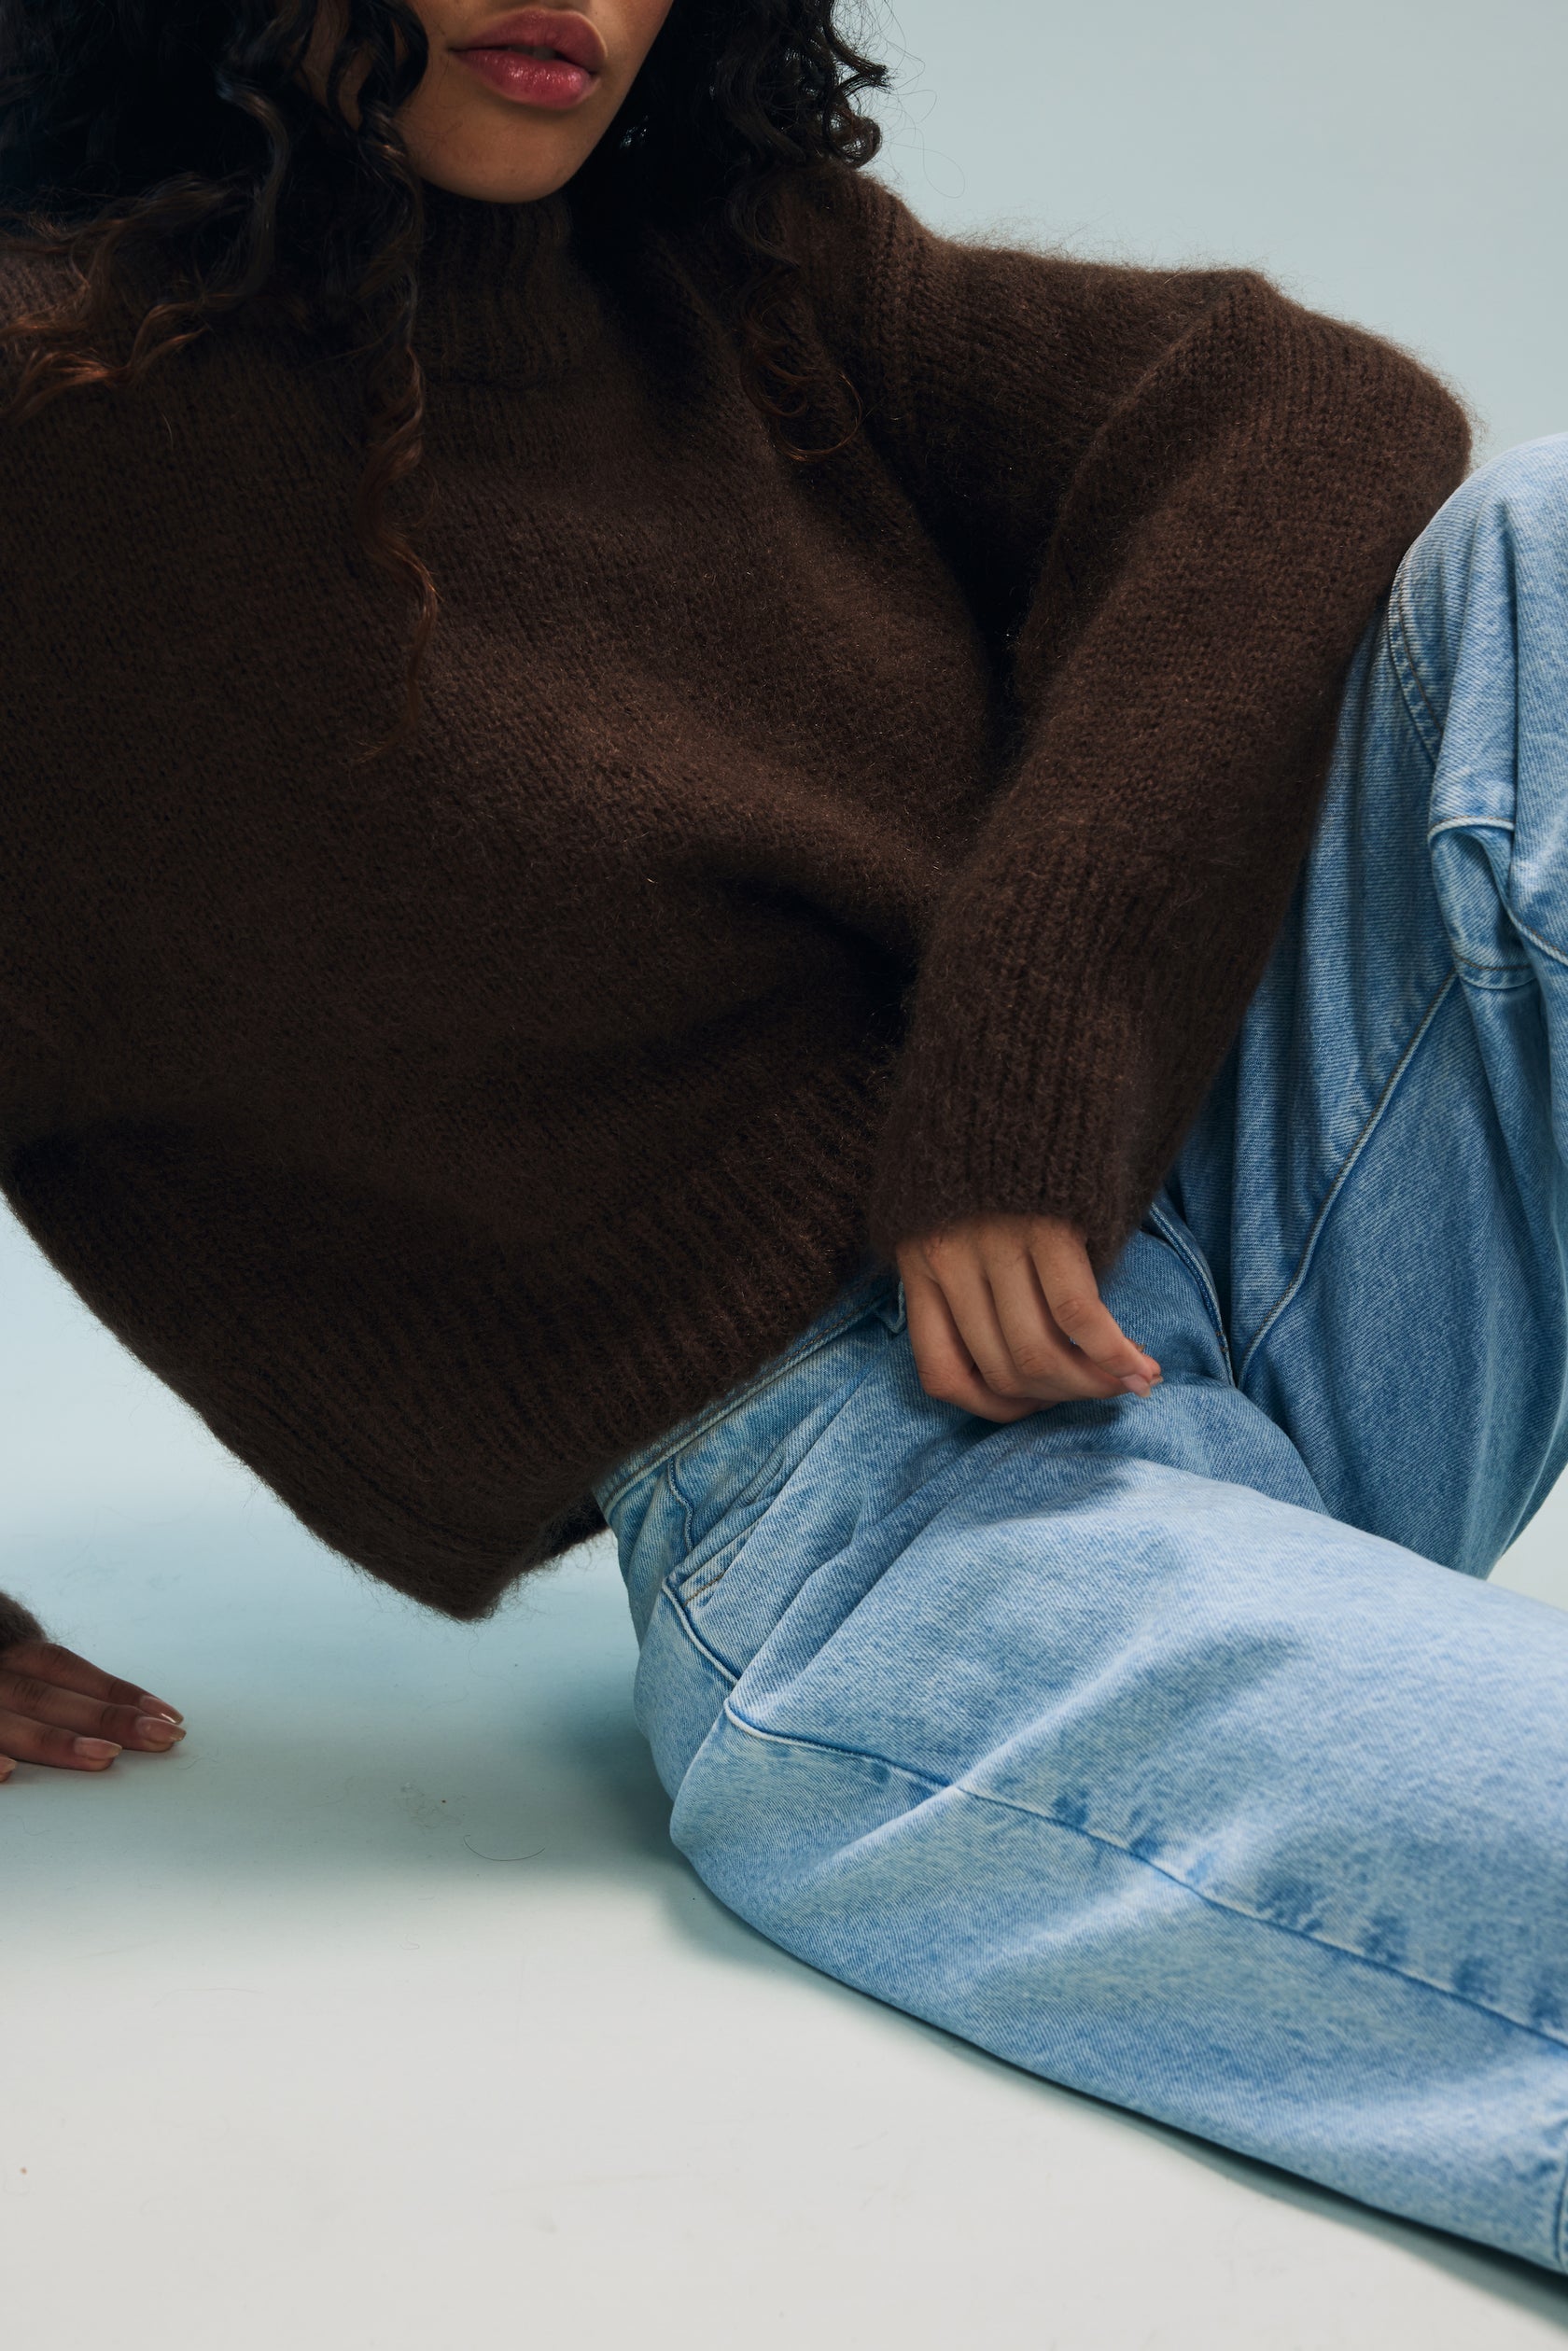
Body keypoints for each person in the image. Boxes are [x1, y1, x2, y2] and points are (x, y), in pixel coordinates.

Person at [1, 0, 1564, 2274]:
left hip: (1216, 1256)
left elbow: (1305, 410)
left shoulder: (738, 274)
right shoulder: (66, 425)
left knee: (1552, 548)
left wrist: (1028, 1056)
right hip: (872, 1544)